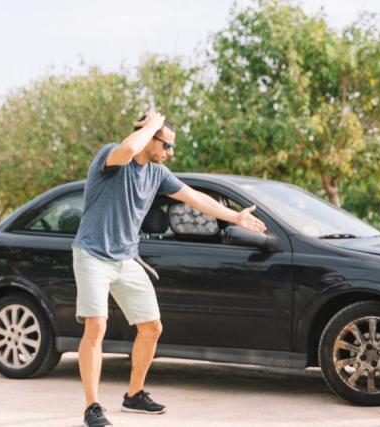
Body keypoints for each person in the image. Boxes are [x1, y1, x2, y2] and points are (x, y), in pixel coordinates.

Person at [71, 111, 267, 427]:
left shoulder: (158, 174)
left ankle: (134, 395)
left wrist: (234, 217)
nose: (170, 152)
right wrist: (150, 125)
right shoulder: (111, 157)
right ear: (149, 138)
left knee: (152, 326)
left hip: (126, 257)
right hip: (93, 254)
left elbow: (195, 198)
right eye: (167, 144)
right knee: (96, 326)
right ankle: (92, 407)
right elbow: (126, 151)